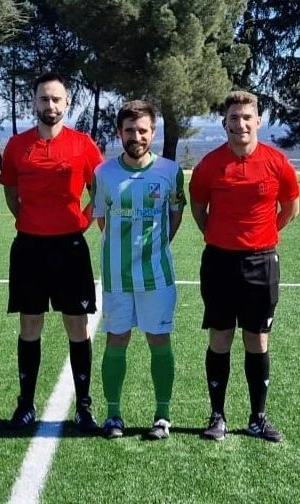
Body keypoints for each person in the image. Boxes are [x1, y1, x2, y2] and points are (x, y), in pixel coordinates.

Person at [189, 90, 300, 443]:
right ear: (225, 123)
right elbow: (198, 208)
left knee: (257, 338)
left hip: (261, 262)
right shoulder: (209, 165)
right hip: (219, 262)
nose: (241, 124)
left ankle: (257, 418)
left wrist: (265, 235)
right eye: (234, 118)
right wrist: (217, 235)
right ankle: (217, 416)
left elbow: (291, 208)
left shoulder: (277, 162)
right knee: (220, 337)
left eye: (247, 117)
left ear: (258, 121)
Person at [0, 72, 103, 431]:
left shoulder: (83, 144)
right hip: (29, 247)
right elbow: (10, 191)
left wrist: (82, 221)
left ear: (67, 103)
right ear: (34, 102)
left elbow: (100, 189)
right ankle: (25, 404)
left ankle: (84, 407)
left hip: (70, 247)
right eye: (44, 98)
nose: (50, 105)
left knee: (77, 325)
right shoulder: (17, 145)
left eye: (56, 99)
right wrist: (29, 219)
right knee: (30, 324)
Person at [92, 100, 185, 440]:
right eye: (130, 130)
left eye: (143, 130)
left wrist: (155, 246)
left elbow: (175, 214)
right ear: (120, 132)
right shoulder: (103, 173)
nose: (137, 136)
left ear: (153, 132)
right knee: (116, 339)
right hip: (117, 275)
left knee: (159, 339)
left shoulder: (170, 171)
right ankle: (113, 415)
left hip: (156, 274)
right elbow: (101, 219)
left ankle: (162, 416)